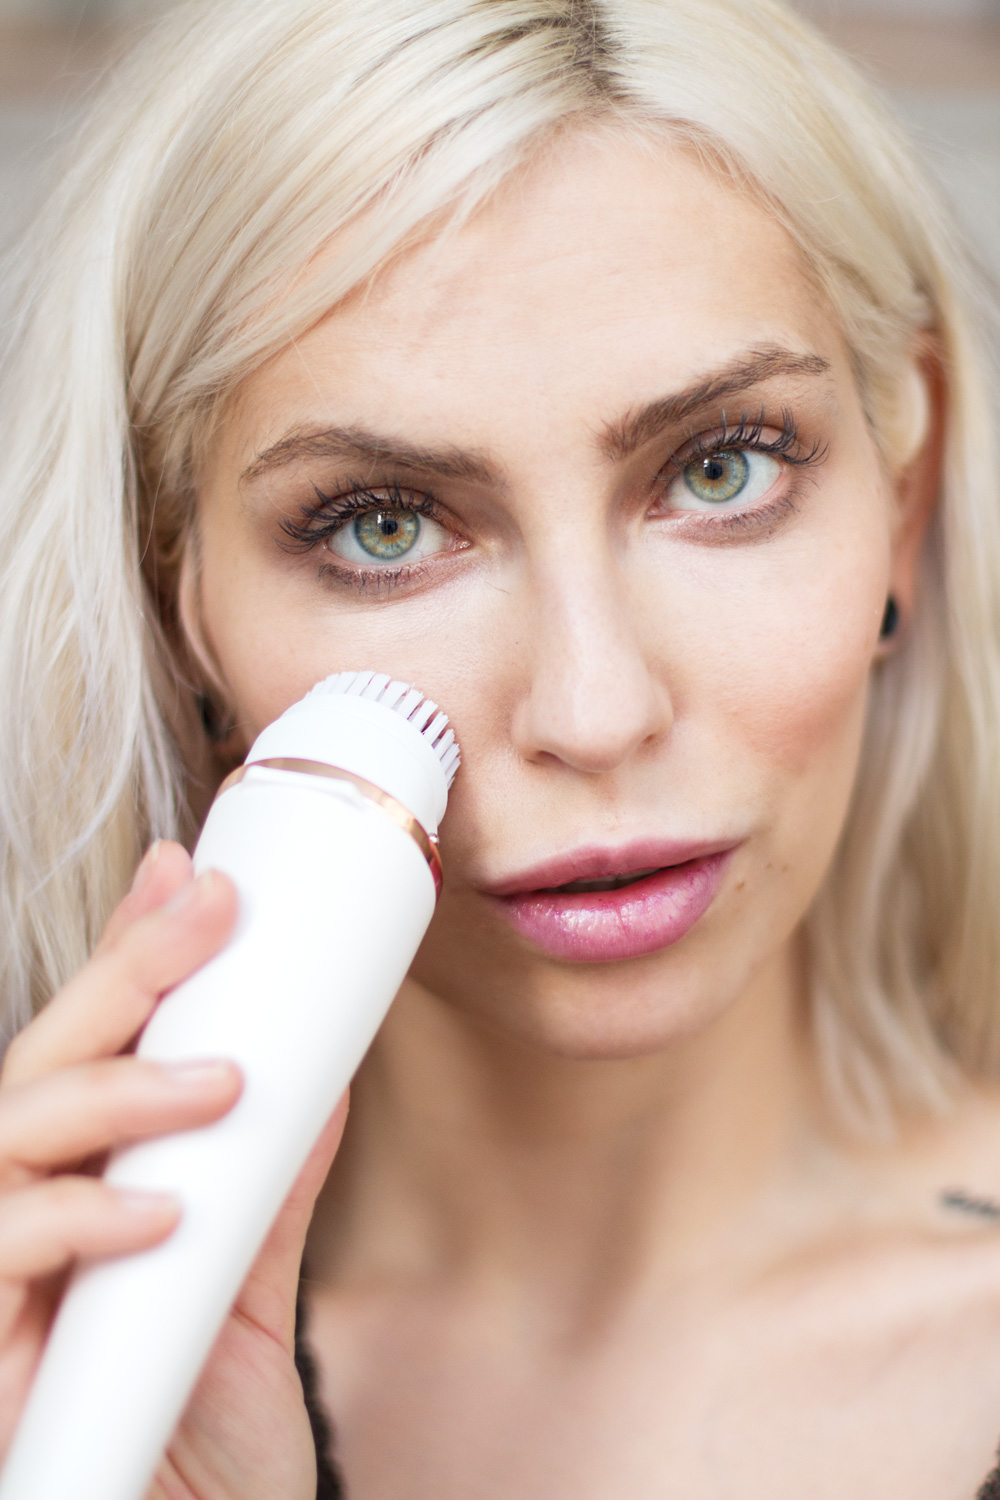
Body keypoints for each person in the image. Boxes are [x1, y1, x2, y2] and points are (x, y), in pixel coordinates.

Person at [0, 0, 999, 1493]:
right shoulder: (64, 1401)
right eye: (384, 528)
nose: (594, 712)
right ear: (174, 605)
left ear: (904, 501)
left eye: (722, 470)